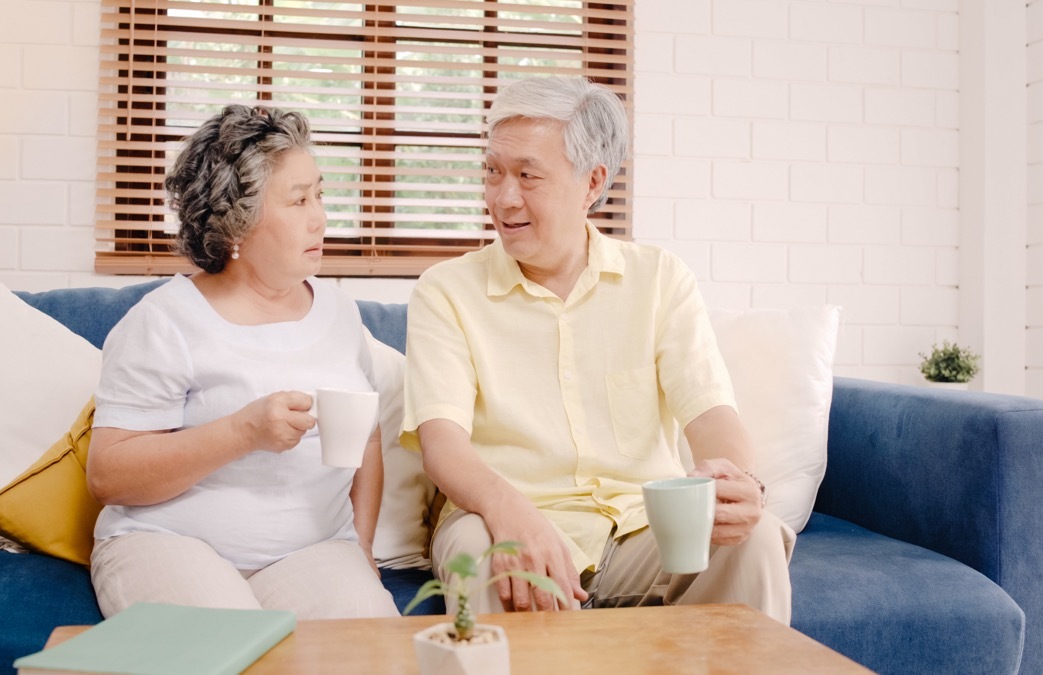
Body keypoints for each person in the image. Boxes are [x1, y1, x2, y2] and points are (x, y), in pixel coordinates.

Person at [401, 76, 794, 623]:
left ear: (592, 182)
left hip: (640, 527)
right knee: (478, 547)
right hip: (499, 519)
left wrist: (742, 487)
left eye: (527, 175)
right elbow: (443, 446)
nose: (503, 197)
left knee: (755, 538)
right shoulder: (446, 291)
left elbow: (710, 414)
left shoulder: (658, 278)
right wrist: (511, 511)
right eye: (493, 172)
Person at [86, 104, 399, 620]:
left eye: (319, 195)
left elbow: (366, 438)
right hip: (169, 541)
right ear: (238, 222)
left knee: (370, 646)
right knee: (225, 647)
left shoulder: (340, 313)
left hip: (315, 551)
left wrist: (360, 544)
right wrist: (242, 432)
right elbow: (109, 476)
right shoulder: (164, 321)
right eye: (298, 200)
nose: (320, 217)